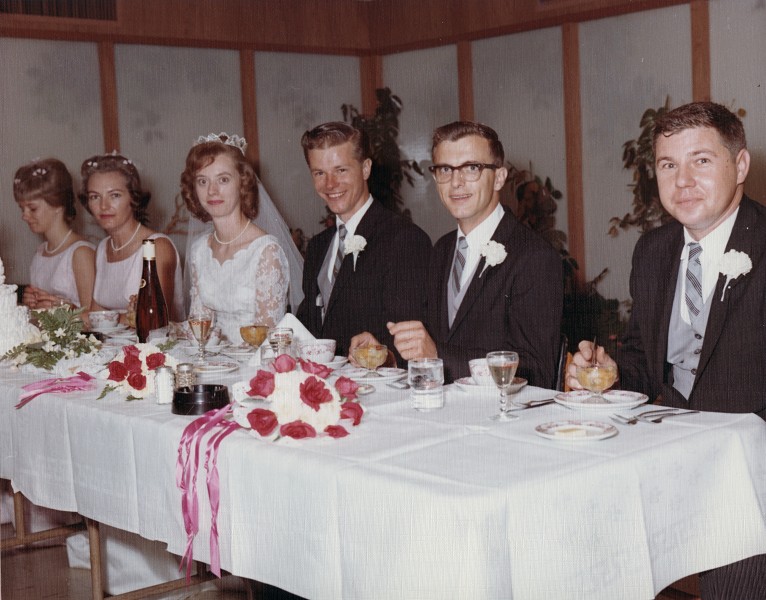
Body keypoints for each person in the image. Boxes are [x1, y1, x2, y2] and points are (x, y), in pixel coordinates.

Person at [566, 101, 765, 598]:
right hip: (668, 453)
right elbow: (644, 359)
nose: (683, 182)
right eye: (668, 165)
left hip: (751, 469)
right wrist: (611, 371)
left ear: (740, 165)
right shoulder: (653, 250)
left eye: (701, 160)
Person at [352, 121, 563, 386]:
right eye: (445, 169)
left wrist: (438, 356)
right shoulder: (442, 249)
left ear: (499, 177)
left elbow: (537, 372)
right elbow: (432, 341)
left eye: (471, 168)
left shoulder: (535, 258)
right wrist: (387, 355)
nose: (456, 182)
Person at [296, 121, 432, 362]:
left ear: (366, 168)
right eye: (319, 173)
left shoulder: (405, 239)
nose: (330, 184)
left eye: (341, 170)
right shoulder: (318, 246)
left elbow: (409, 340)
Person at [182, 133, 292, 343]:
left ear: (242, 183)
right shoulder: (199, 250)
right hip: (210, 358)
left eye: (223, 179)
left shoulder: (266, 251)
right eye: (202, 181)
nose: (212, 191)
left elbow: (268, 340)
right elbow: (199, 327)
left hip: (254, 358)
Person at [80, 152, 185, 321]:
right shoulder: (102, 249)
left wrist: (113, 319)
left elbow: (156, 320)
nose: (103, 206)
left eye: (115, 195)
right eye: (95, 197)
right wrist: (63, 313)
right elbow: (96, 318)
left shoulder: (158, 246)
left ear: (134, 198)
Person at [13, 158, 95, 309]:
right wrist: (33, 302)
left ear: (58, 205)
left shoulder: (81, 253)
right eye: (22, 209)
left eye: (32, 208)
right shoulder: (40, 252)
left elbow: (94, 316)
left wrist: (64, 308)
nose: (24, 216)